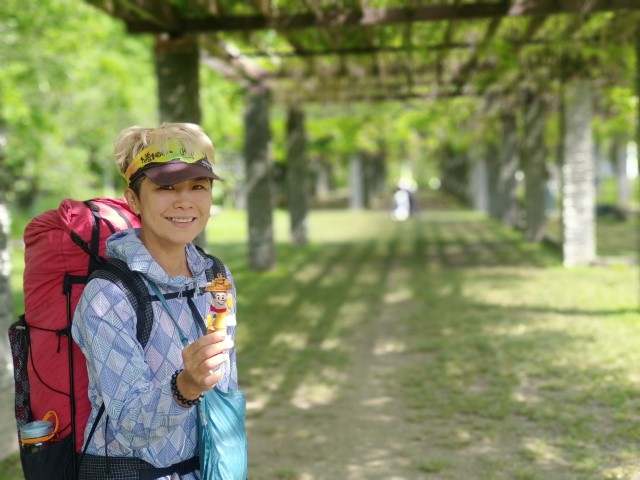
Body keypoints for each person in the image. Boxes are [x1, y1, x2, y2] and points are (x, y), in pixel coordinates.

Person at [72, 123, 240, 479]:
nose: (185, 200)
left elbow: (226, 387)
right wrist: (186, 385)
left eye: (198, 186)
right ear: (133, 199)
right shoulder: (109, 295)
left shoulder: (214, 275)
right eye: (165, 187)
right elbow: (133, 429)